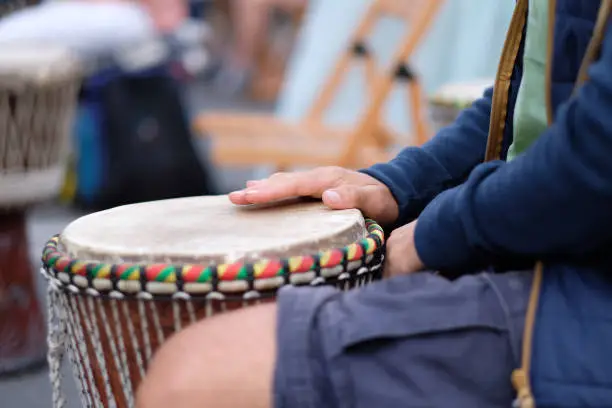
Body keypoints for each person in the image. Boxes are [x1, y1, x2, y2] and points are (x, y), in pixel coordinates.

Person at [135, 1, 612, 407]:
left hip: (587, 300)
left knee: (194, 378)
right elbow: (537, 89)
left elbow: (595, 155)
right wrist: (397, 184)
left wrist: (438, 231)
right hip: (558, 256)